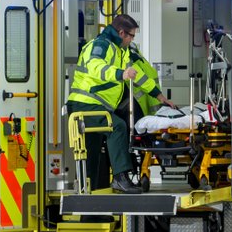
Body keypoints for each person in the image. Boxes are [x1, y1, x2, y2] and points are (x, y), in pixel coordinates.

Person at [67, 13, 167, 194]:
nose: (132, 40)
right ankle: (120, 178)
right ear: (122, 33)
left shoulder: (121, 50)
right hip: (85, 104)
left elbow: (137, 75)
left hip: (94, 106)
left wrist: (158, 95)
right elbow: (96, 67)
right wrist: (121, 74)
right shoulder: (101, 45)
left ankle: (88, 197)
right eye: (131, 36)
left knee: (91, 153)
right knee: (117, 127)